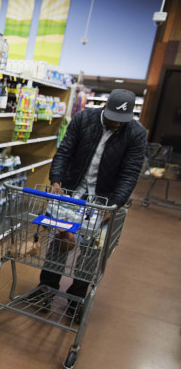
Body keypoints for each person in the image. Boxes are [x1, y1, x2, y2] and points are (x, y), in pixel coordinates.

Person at [36, 89, 147, 322]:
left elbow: (129, 174)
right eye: (112, 119)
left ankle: (76, 298)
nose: (116, 124)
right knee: (61, 238)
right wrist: (56, 180)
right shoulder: (83, 119)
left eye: (121, 122)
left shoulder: (136, 134)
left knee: (92, 249)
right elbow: (64, 152)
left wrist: (114, 205)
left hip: (102, 200)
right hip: (72, 193)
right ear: (104, 109)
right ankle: (46, 289)